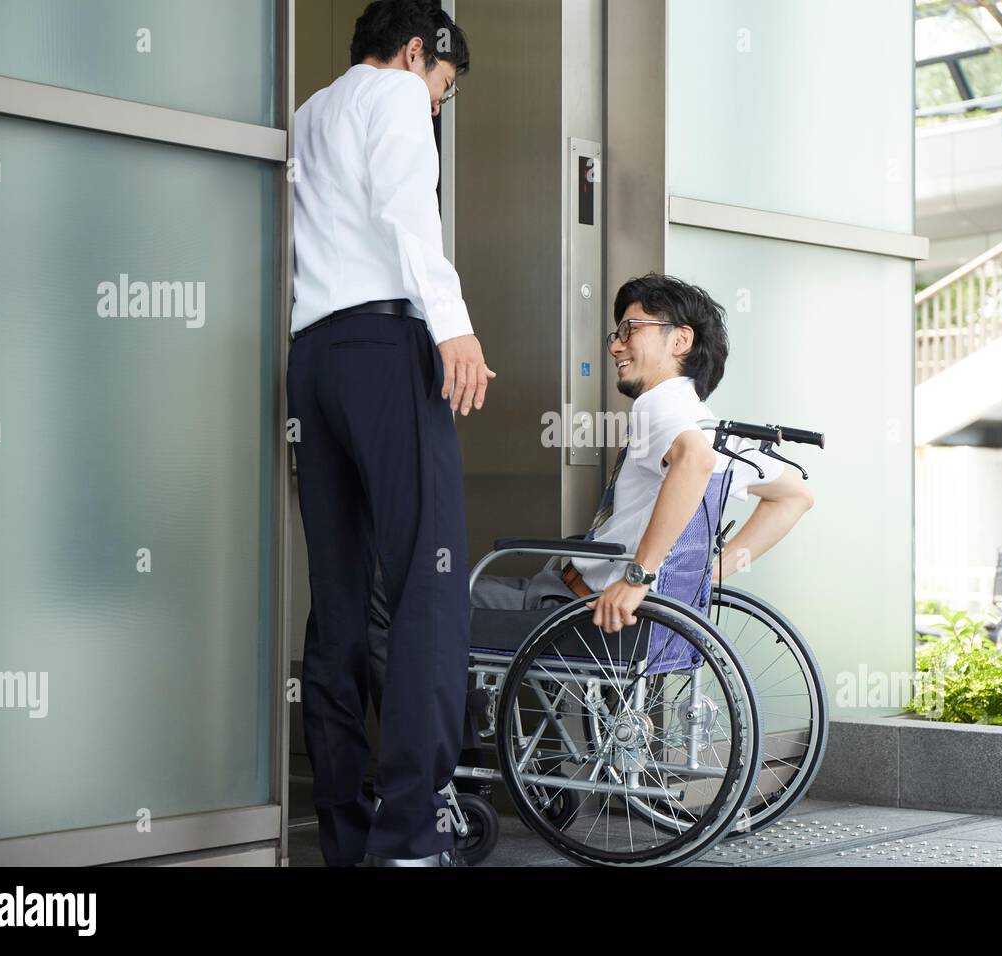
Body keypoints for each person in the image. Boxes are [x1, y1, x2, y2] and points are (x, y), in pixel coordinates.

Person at [288, 0, 494, 868]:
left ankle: (346, 837)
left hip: (312, 357)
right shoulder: (396, 97)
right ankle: (412, 837)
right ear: (418, 52)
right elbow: (412, 208)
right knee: (429, 588)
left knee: (338, 606)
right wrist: (453, 325)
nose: (439, 105)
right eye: (444, 85)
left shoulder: (308, 111)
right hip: (385, 345)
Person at [471, 274, 815, 632]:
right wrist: (708, 576)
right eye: (616, 335)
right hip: (622, 616)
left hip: (572, 607)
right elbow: (796, 496)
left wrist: (638, 576)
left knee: (442, 602)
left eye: (629, 330)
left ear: (680, 340)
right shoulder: (712, 429)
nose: (615, 347)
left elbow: (695, 460)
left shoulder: (658, 404)